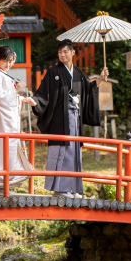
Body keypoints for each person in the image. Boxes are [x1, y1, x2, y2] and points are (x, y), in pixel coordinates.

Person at [32, 39, 109, 197]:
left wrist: (100, 78)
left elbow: (88, 90)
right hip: (60, 119)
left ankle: (73, 188)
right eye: (60, 52)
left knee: (74, 151)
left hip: (75, 117)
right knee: (62, 151)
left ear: (73, 53)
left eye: (65, 51)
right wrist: (36, 101)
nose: (62, 54)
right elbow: (43, 92)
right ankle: (60, 189)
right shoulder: (54, 72)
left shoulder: (78, 73)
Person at [0, 45, 36, 194]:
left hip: (4, 121)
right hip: (0, 121)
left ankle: (3, 184)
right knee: (0, 150)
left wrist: (22, 99)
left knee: (6, 150)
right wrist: (16, 91)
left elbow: (6, 97)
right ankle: (0, 184)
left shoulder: (1, 75)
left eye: (11, 61)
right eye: (5, 60)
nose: (8, 64)